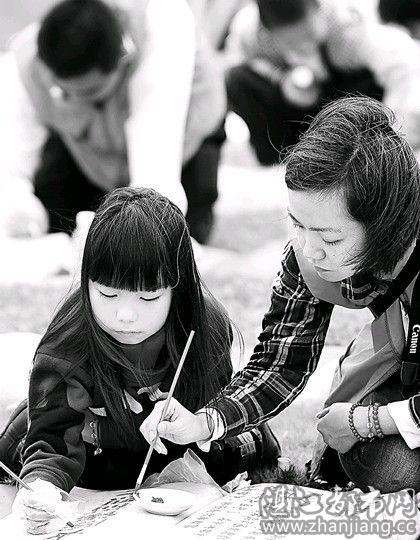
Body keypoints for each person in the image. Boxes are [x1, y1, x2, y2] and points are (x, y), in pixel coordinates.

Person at [141, 96, 420, 494]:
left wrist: (368, 421)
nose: (308, 249)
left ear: (384, 224)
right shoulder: (307, 254)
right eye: (297, 223)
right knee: (384, 465)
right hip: (406, 375)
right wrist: (205, 422)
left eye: (330, 238)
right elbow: (280, 362)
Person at [0, 187, 280, 532]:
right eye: (107, 294)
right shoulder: (68, 341)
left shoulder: (205, 328)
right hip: (91, 455)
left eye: (148, 297)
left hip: (175, 449)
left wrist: (196, 424)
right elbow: (52, 439)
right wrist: (42, 488)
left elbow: (214, 407)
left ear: (178, 289)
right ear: (86, 281)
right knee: (35, 465)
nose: (126, 315)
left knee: (241, 451)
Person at [0, 0, 226, 244]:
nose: (75, 99)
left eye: (90, 92)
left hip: (183, 148)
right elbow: (11, 162)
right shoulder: (25, 60)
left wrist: (137, 232)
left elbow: (156, 171)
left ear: (122, 59)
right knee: (55, 221)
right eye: (64, 92)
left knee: (175, 236)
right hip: (89, 156)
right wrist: (21, 211)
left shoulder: (163, 27)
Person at [222, 0, 420, 165]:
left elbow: (405, 66)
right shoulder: (249, 31)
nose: (303, 48)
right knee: (237, 79)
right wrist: (279, 77)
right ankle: (280, 159)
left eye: (308, 37)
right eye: (292, 43)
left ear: (320, 11)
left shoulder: (348, 26)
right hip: (295, 112)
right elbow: (234, 65)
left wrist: (395, 137)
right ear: (268, 32)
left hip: (348, 108)